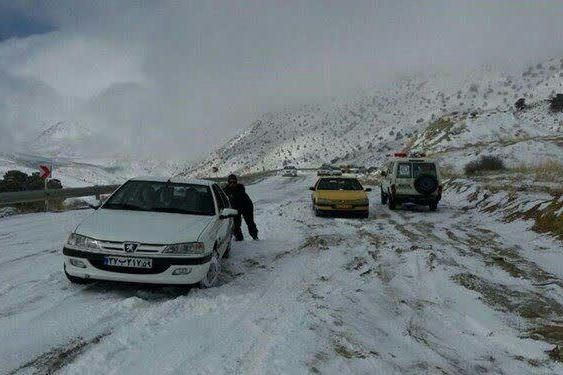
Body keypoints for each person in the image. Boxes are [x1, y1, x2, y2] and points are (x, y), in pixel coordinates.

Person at [223, 174, 258, 241]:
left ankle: (255, 236)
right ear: (228, 182)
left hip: (246, 207)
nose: (232, 184)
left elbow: (237, 196)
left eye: (234, 182)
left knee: (250, 222)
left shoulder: (240, 188)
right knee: (236, 225)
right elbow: (221, 193)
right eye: (230, 182)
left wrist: (230, 194)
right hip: (235, 209)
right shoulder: (226, 189)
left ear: (236, 182)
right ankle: (239, 239)